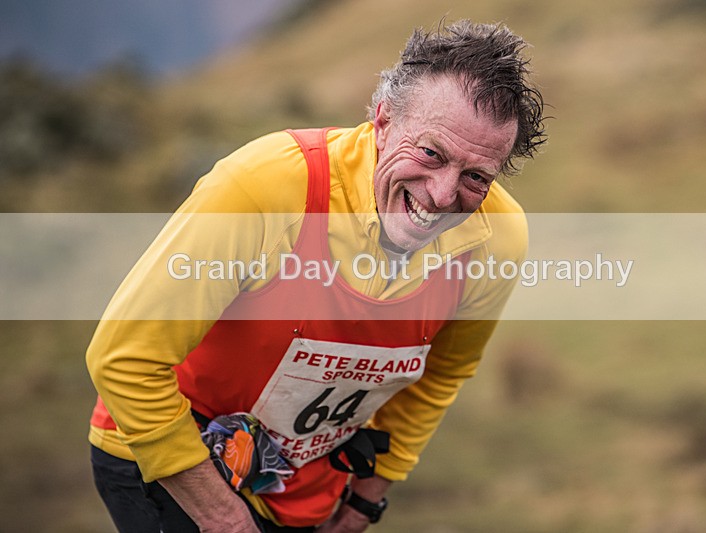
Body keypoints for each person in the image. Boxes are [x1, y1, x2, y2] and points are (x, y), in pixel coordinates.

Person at [86, 19, 545, 533]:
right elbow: (124, 362)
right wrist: (226, 520)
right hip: (169, 461)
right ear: (383, 120)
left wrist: (365, 501)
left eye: (476, 176)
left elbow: (440, 376)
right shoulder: (265, 186)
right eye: (431, 153)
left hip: (303, 486)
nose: (442, 195)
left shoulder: (497, 237)